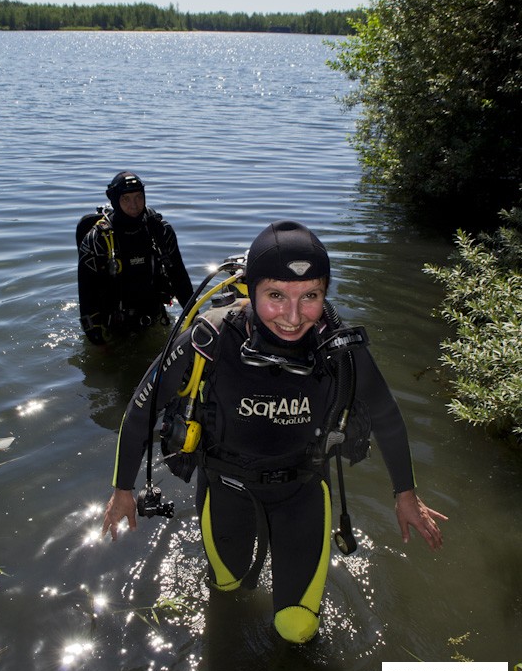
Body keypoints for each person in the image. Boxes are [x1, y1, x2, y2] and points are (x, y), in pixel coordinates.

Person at [102, 220, 447, 644]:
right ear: (253, 289)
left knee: (298, 628)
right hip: (225, 490)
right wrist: (122, 489)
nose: (292, 316)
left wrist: (405, 495)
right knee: (225, 591)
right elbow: (141, 412)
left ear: (325, 295)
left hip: (301, 493)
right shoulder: (206, 340)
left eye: (311, 297)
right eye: (276, 296)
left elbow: (387, 416)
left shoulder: (340, 351)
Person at [78, 172, 193, 345]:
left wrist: (195, 318)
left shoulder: (161, 231)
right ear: (115, 200)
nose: (134, 205)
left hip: (154, 320)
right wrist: (97, 341)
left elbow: (180, 279)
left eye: (139, 197)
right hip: (112, 327)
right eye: (126, 199)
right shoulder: (98, 240)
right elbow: (86, 296)